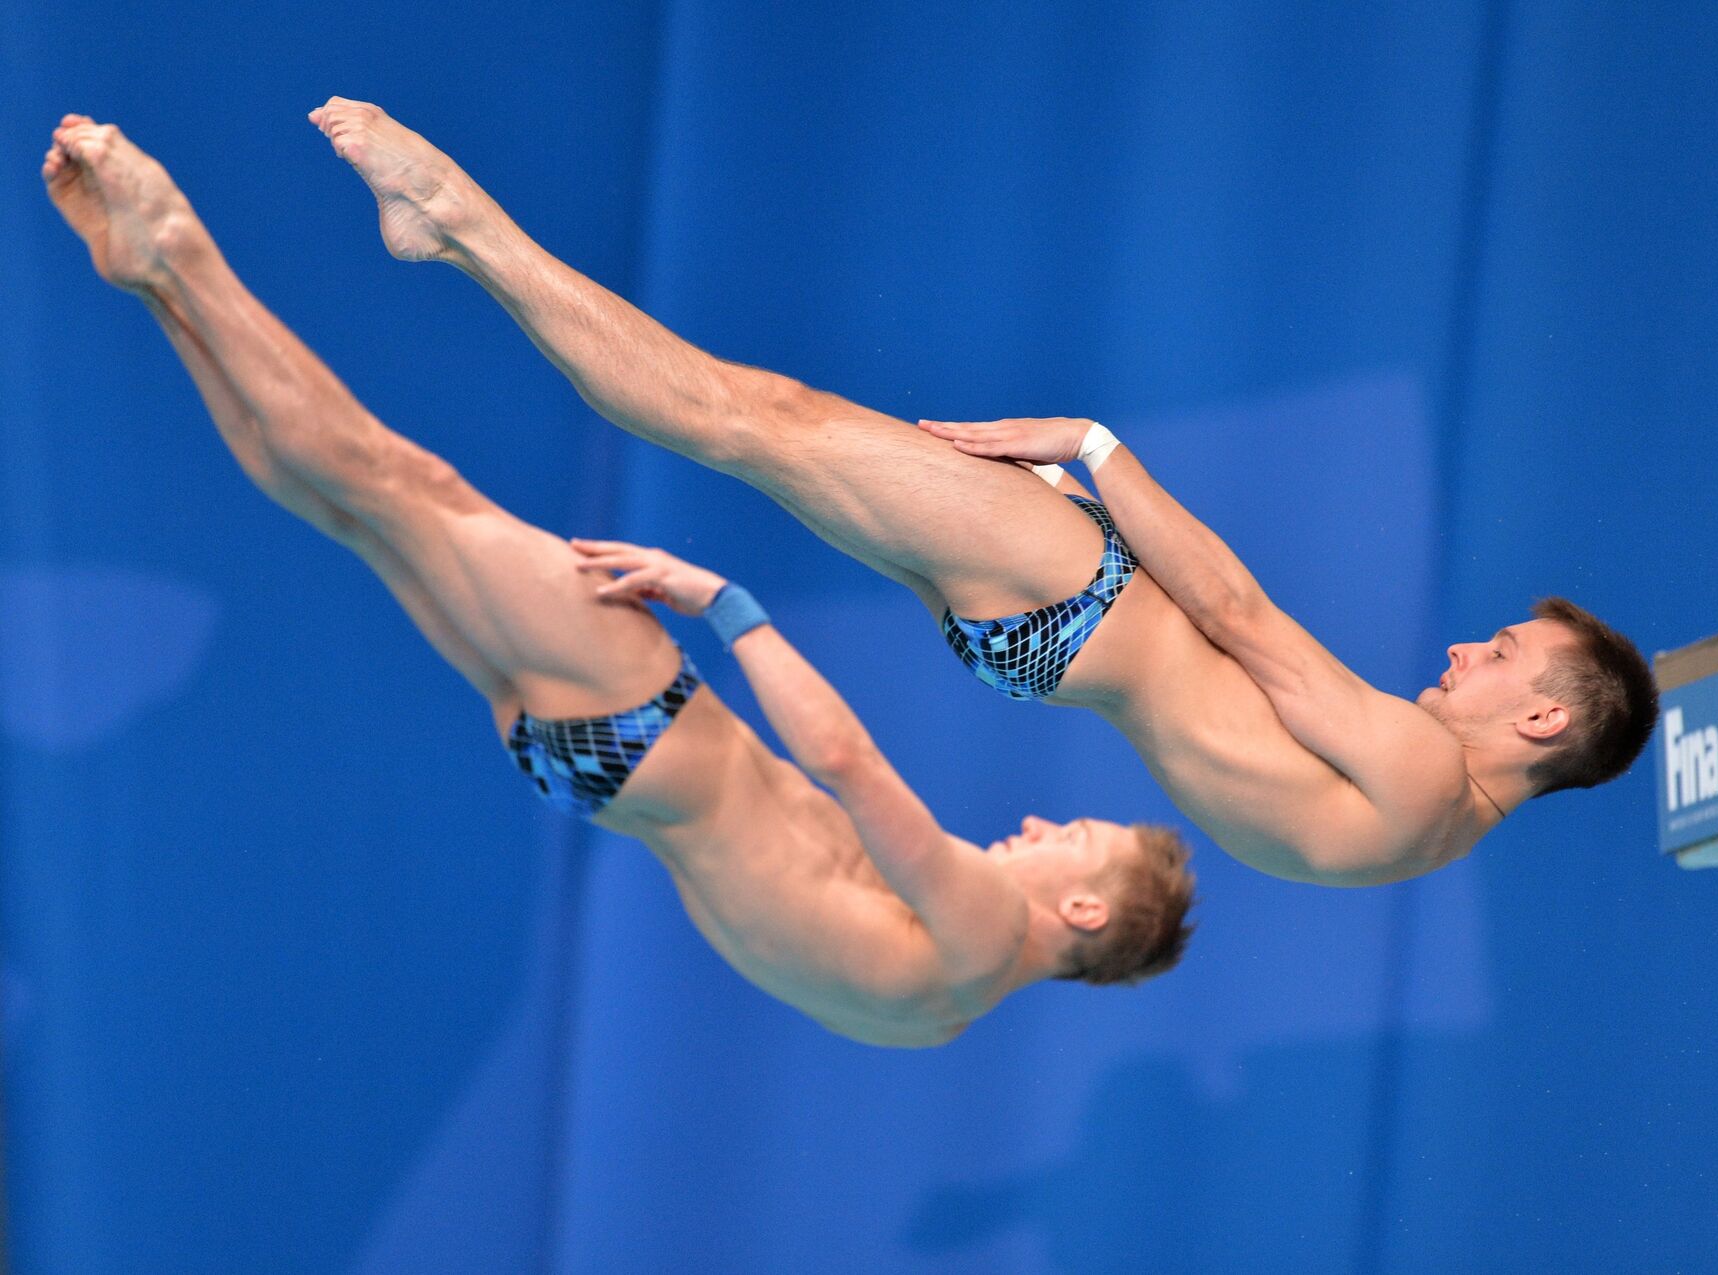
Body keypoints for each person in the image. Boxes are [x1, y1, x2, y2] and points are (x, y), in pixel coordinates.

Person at [41, 115, 1195, 1049]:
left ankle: (182, 254)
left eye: (1076, 833)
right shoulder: (937, 1015)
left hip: (651, 728)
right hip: (591, 771)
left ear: (1082, 912)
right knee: (357, 510)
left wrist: (727, 606)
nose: (1042, 821)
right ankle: (154, 284)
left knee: (403, 483)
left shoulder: (989, 926)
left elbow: (844, 765)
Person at [309, 98, 1659, 887]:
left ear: (1543, 716)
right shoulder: (1425, 842)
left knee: (747, 413)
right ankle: (462, 239)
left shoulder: (1427, 765)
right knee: (745, 430)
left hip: (1083, 592)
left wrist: (1094, 447)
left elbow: (1241, 616)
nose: (1465, 650)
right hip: (1046, 651)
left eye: (1503, 655)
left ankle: (456, 216)